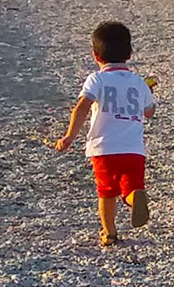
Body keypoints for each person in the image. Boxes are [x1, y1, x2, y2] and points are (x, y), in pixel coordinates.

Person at [55, 22, 156, 246]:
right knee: (131, 186)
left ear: (95, 55)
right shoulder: (139, 83)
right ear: (129, 54)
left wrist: (69, 137)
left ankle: (109, 232)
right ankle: (133, 198)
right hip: (133, 149)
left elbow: (81, 107)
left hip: (104, 148)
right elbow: (149, 112)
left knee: (107, 192)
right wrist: (147, 92)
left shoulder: (97, 79)